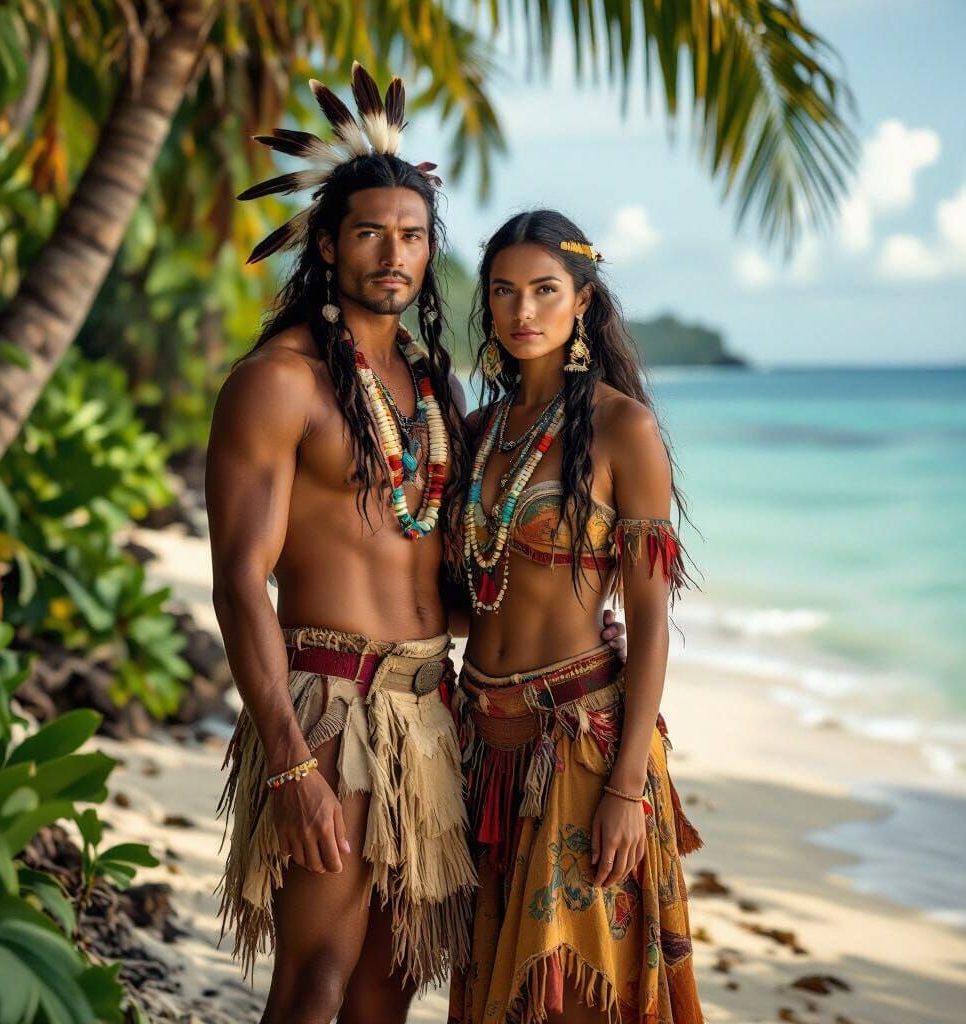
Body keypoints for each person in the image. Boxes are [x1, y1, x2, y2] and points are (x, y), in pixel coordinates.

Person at [207, 64, 633, 1024]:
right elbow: (238, 584)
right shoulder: (279, 383)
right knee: (314, 978)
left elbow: (468, 551)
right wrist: (288, 760)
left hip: (432, 707)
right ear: (327, 245)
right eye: (369, 234)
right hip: (330, 707)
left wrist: (566, 630)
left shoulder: (432, 389)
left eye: (411, 235)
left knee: (388, 988)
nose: (393, 254)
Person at [448, 210, 705, 1024]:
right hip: (480, 738)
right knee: (494, 987)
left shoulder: (623, 429)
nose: (523, 311)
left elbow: (650, 622)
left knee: (571, 991)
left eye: (545, 291)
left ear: (583, 302)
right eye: (504, 292)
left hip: (580, 743)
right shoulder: (481, 431)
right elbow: (470, 590)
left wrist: (627, 786)